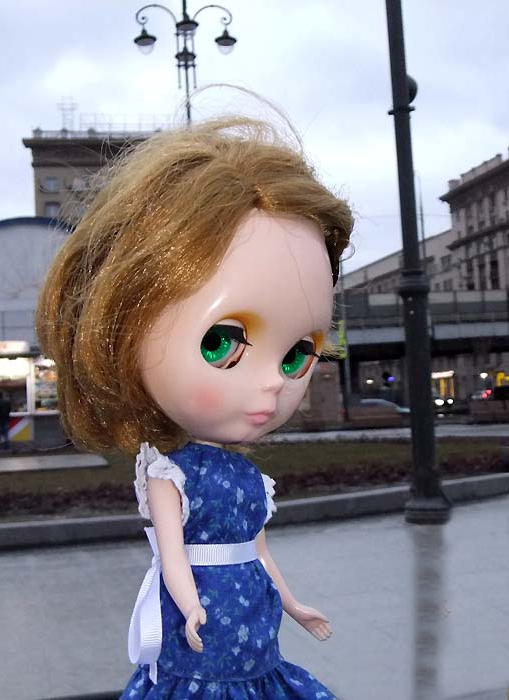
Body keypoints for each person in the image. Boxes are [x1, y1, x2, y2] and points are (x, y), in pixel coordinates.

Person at [37, 116, 353, 699]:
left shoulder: (250, 478)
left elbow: (259, 551)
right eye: (221, 343)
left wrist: (292, 604)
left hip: (253, 617)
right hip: (204, 625)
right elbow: (172, 556)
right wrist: (188, 606)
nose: (273, 385)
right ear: (124, 331)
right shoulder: (168, 473)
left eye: (297, 356)